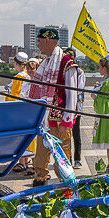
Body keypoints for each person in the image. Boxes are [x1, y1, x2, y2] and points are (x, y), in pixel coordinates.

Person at [29, 28, 82, 184]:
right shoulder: (45, 63)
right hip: (44, 119)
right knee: (40, 159)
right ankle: (39, 184)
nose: (38, 45)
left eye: (39, 41)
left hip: (60, 122)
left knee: (62, 160)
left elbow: (72, 96)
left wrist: (67, 122)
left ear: (47, 41)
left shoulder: (67, 64)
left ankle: (67, 191)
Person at [64, 48, 86, 169]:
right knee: (65, 135)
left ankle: (77, 159)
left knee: (76, 134)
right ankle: (68, 158)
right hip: (65, 106)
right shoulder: (63, 70)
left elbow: (79, 89)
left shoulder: (79, 72)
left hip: (76, 106)